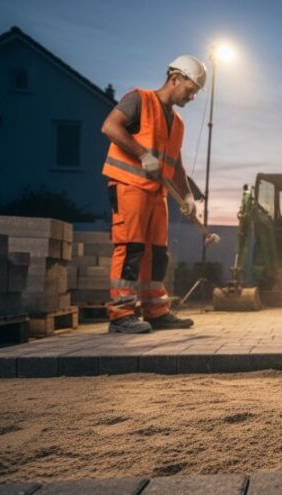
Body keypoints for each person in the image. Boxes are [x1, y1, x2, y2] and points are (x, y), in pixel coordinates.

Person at [100, 56, 205, 334]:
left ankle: (155, 311)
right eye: (191, 89)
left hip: (157, 194)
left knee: (157, 254)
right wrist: (142, 154)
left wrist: (188, 197)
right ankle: (121, 315)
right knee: (131, 247)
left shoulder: (178, 122)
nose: (193, 96)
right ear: (175, 78)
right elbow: (110, 126)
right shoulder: (139, 100)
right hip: (129, 185)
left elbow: (176, 164)